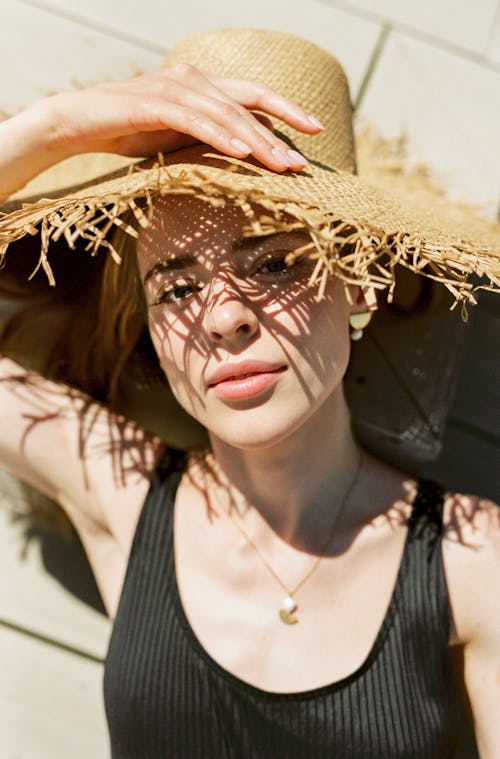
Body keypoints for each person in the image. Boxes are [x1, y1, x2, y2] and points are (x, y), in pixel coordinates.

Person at [0, 27, 498, 759]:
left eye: (271, 265)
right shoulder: (123, 491)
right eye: (176, 286)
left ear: (357, 276)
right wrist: (60, 127)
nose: (225, 316)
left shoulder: (470, 556)